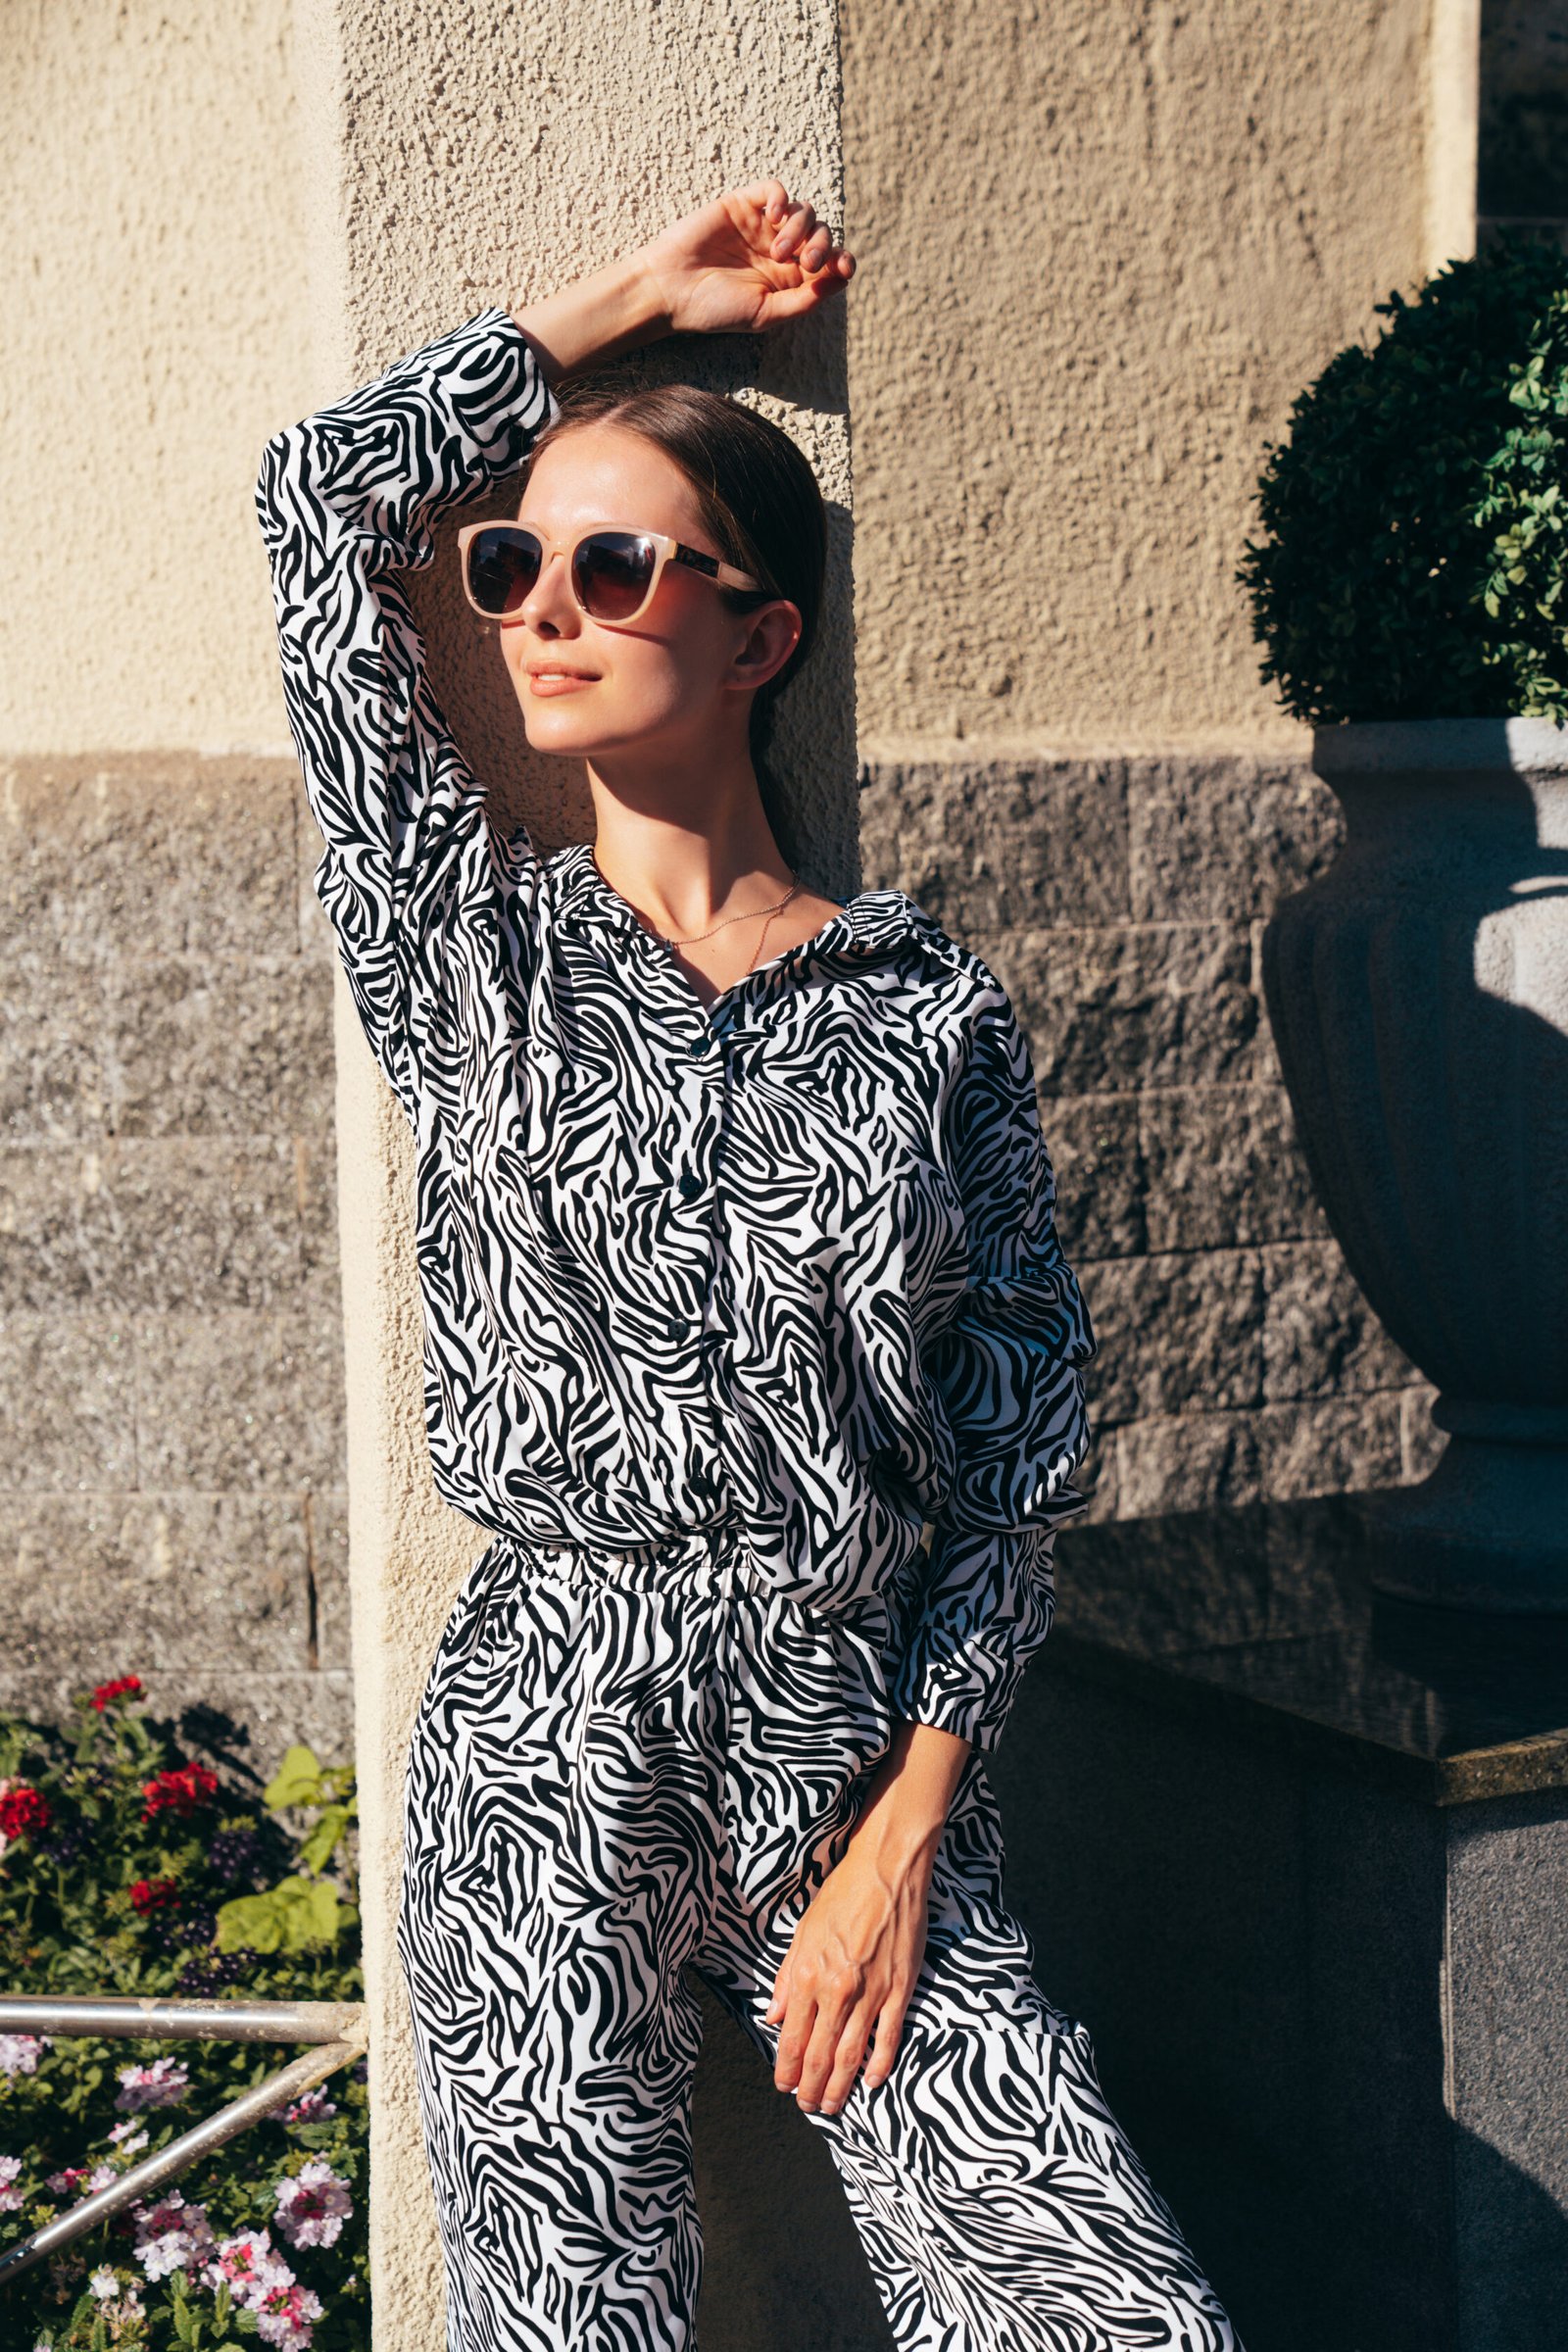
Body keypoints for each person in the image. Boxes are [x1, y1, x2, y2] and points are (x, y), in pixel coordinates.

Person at [255, 176, 1244, 2352]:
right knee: (568, 2324)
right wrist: (626, 312)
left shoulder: (919, 1009)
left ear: (758, 630)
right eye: (512, 564)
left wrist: (906, 1837)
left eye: (614, 564)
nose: (536, 609)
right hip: (546, 1724)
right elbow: (318, 492)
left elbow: (1011, 1454)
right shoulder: (467, 951)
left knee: (1093, 2300)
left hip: (840, 1721)